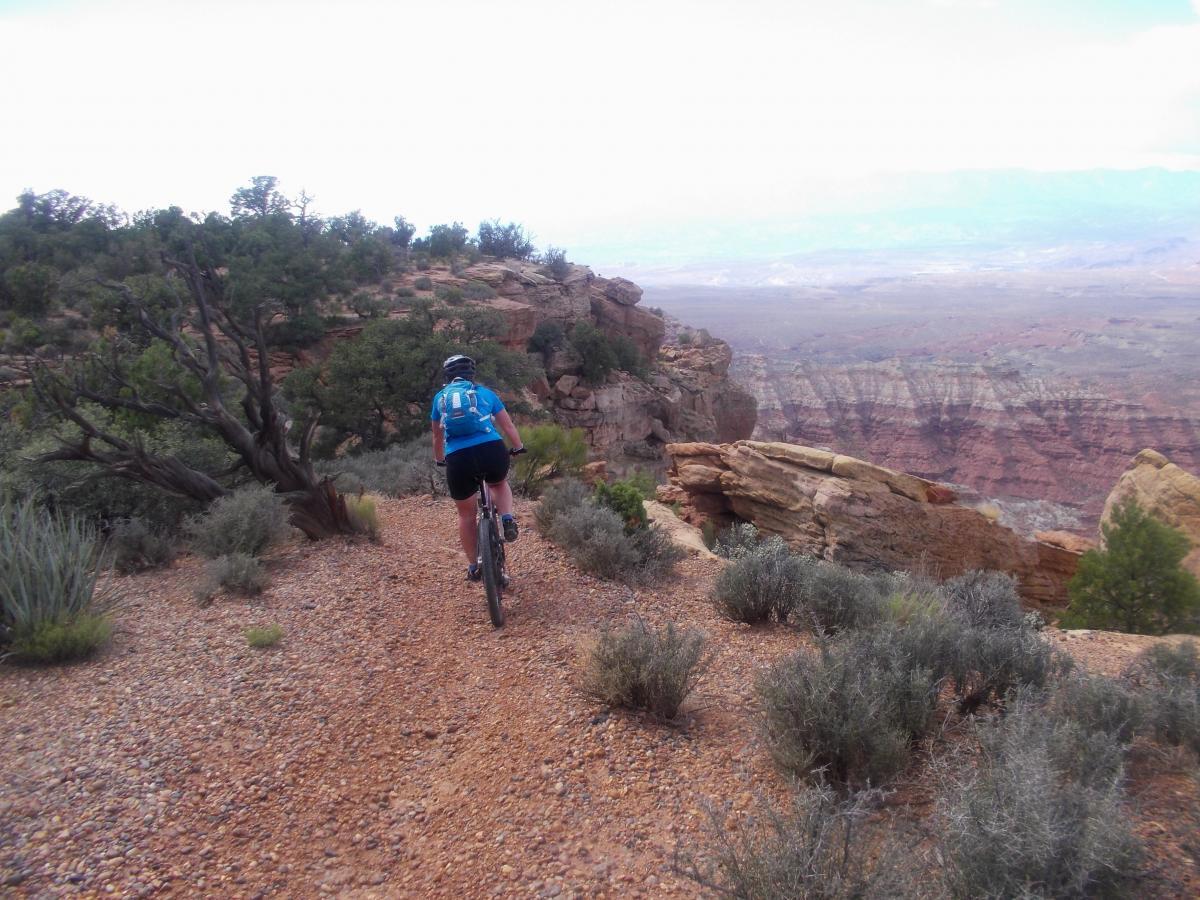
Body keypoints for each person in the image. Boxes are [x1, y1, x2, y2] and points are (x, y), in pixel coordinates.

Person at [431, 354, 526, 581]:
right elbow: (507, 424)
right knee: (499, 482)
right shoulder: (485, 393)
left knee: (466, 515)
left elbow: (436, 435)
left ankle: (474, 566)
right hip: (490, 450)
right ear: (471, 374)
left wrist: (439, 459)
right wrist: (518, 446)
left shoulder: (439, 399)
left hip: (458, 458)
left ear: (448, 376)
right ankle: (507, 519)